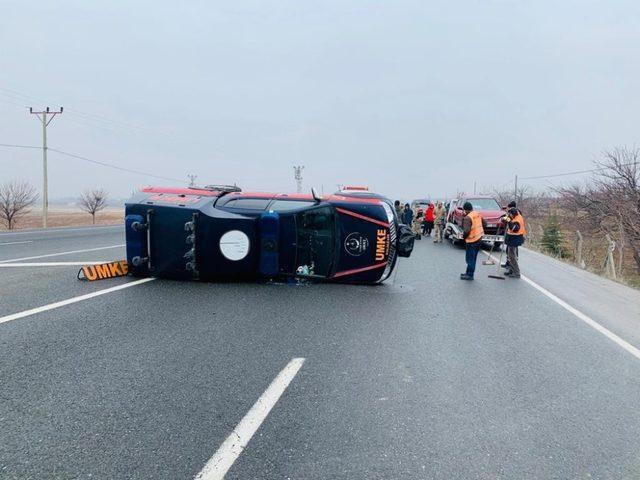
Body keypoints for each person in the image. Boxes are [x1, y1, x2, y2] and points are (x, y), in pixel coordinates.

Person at [460, 201, 487, 280]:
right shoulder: (477, 214)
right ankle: (468, 272)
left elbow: (466, 231)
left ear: (466, 210)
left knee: (470, 259)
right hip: (479, 238)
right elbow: (485, 224)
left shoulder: (467, 218)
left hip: (472, 241)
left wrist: (464, 237)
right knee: (473, 258)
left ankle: (470, 275)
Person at [501, 204, 526, 278]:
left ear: (513, 214)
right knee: (510, 255)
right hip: (512, 239)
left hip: (515, 239)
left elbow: (514, 229)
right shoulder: (515, 216)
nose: (509, 216)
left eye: (510, 215)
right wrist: (505, 219)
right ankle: (511, 270)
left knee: (512, 257)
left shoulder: (517, 220)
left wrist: (508, 221)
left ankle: (516, 273)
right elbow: (507, 219)